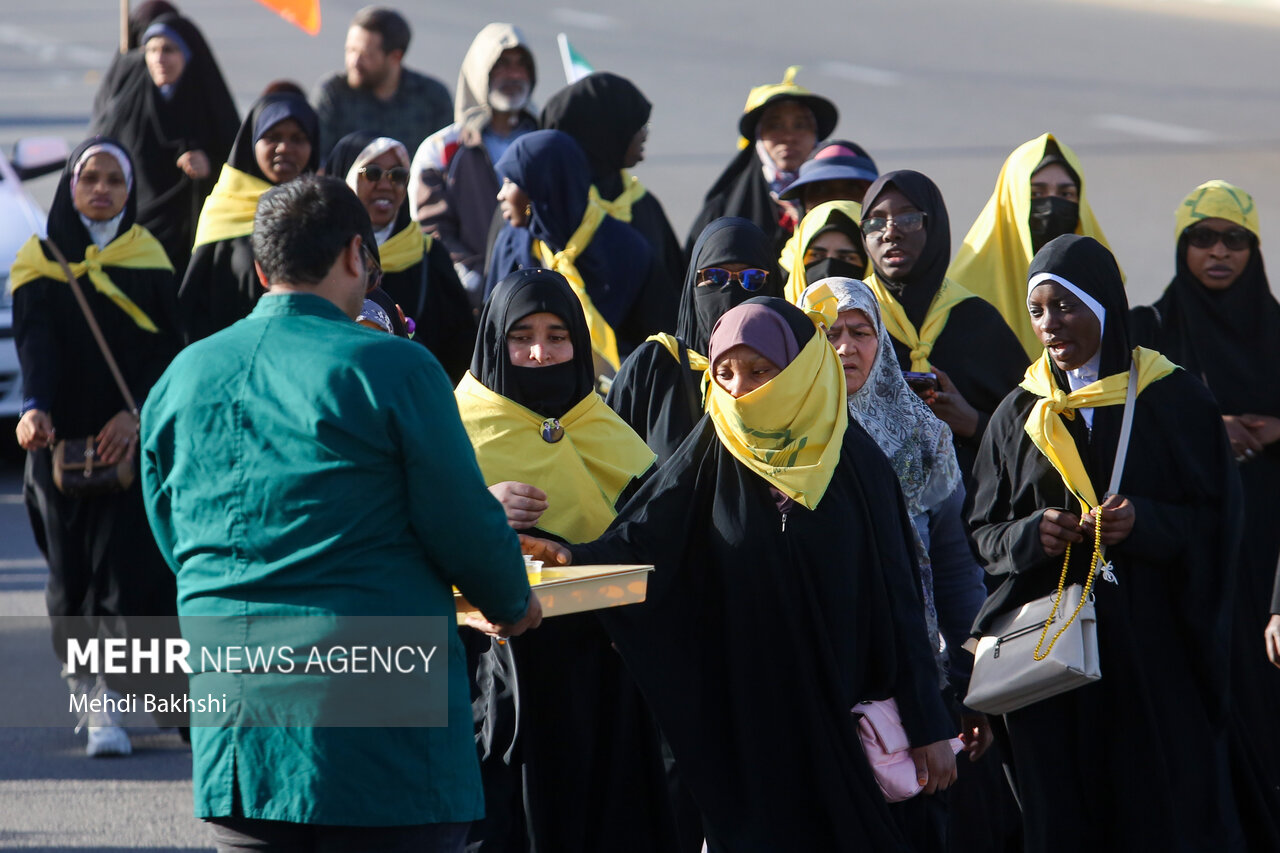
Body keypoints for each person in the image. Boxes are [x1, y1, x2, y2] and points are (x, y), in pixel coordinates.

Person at [140, 175, 541, 851]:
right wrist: (511, 599)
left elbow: (173, 535)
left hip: (241, 735)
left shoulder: (183, 375)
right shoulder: (395, 367)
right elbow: (465, 526)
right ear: (358, 254)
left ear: (263, 269)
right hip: (381, 739)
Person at [520, 293, 957, 851]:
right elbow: (640, 545)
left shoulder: (856, 462)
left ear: (801, 370)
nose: (738, 389)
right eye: (724, 372)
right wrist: (567, 564)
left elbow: (902, 597)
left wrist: (928, 722)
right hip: (751, 729)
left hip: (848, 726)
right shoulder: (710, 452)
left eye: (760, 371)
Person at [969, 234, 1248, 852]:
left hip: (1152, 653)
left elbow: (1217, 521)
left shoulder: (1171, 399)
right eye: (1038, 311)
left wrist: (1144, 523)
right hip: (1052, 661)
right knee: (1066, 810)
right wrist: (1030, 535)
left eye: (1065, 307)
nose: (1049, 325)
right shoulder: (1019, 413)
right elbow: (983, 533)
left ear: (1103, 306)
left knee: (1157, 805)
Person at [453, 268, 676, 851]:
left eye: (558, 336)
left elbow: (659, 550)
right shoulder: (453, 431)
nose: (540, 353)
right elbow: (406, 541)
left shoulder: (606, 429)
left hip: (606, 682)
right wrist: (479, 515)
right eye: (521, 337)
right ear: (494, 342)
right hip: (498, 686)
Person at [10, 137, 183, 757]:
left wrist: (135, 415)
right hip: (58, 447)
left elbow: (169, 351)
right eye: (91, 178)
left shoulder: (149, 255)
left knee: (130, 574)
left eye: (115, 180)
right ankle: (93, 696)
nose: (103, 190)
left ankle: (130, 698)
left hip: (127, 444)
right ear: (71, 186)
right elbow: (35, 344)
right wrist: (34, 409)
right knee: (70, 578)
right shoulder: (40, 258)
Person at [813, 277, 998, 852]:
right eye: (827, 333)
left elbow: (953, 571)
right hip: (818, 679)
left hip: (912, 681)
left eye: (861, 332)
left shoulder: (924, 438)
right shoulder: (780, 439)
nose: (846, 347)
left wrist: (971, 688)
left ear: (883, 343)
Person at [1129, 180, 1280, 799]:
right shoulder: (1152, 331)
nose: (1218, 252)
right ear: (1180, 247)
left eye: (1234, 239)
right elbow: (1126, 431)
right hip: (1188, 548)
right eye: (1202, 238)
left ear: (1254, 250)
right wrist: (1206, 425)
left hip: (1269, 551)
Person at [859, 170, 1028, 485]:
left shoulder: (977, 319)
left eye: (909, 219)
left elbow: (1034, 436)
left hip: (972, 513)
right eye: (875, 222)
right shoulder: (851, 318)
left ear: (935, 225)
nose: (890, 233)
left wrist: (974, 423)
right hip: (875, 512)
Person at [485, 130, 677, 372]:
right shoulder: (512, 245)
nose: (500, 194)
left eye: (510, 182)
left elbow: (660, 344)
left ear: (542, 187)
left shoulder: (628, 252)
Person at [606, 216, 782, 465]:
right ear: (692, 282)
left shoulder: (792, 371)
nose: (732, 290)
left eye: (752, 278)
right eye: (715, 276)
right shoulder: (652, 367)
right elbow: (609, 466)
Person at [91, 12, 239, 276]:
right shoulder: (127, 106)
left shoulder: (208, 104)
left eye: (169, 50)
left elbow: (238, 167)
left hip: (191, 242)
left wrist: (210, 167)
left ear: (188, 54)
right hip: (133, 242)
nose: (159, 59)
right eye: (151, 50)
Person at [324, 131, 476, 382]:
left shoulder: (429, 254)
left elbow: (460, 350)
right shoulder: (319, 256)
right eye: (372, 173)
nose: (385, 185)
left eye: (397, 175)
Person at [949, 134, 1116, 360]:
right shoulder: (961, 292)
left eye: (1065, 194)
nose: (1051, 206)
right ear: (1013, 199)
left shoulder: (1102, 276)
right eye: (1036, 194)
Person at [409, 23, 537, 305]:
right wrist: (476, 278)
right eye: (502, 65)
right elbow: (431, 229)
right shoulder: (443, 149)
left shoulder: (545, 143)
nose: (514, 75)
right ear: (481, 71)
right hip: (468, 301)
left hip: (539, 294)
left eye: (521, 65)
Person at [178, 92, 319, 342]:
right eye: (273, 137)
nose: (285, 147)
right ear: (250, 142)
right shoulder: (225, 207)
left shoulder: (323, 213)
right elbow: (195, 302)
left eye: (298, 139)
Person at [540, 72, 686, 289]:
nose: (645, 135)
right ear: (604, 135)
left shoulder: (643, 205)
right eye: (637, 126)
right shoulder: (543, 212)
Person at [686, 66, 838, 257]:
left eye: (801, 125)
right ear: (758, 137)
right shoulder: (723, 210)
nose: (789, 136)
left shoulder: (842, 195)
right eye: (775, 125)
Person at [311, 6, 452, 155]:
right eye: (351, 50)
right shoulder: (334, 92)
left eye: (366, 55)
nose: (354, 62)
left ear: (395, 57)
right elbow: (319, 161)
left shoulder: (433, 97)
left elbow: (445, 162)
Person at [780, 199, 865, 303]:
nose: (827, 270)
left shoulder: (888, 316)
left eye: (846, 257)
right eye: (816, 255)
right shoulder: (774, 316)